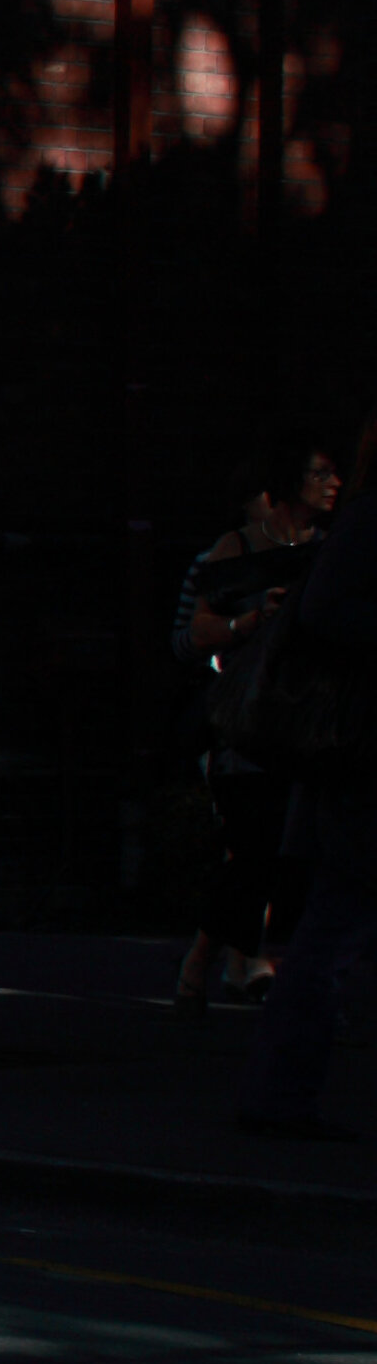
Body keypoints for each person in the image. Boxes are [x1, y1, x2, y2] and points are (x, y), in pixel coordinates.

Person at [232, 408, 377, 1137]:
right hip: (363, 768)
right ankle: (277, 1097)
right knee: (330, 935)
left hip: (357, 770)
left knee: (332, 932)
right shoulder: (370, 521)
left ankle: (278, 1094)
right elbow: (325, 613)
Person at [172, 436, 339, 1011]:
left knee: (299, 856)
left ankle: (267, 969)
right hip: (251, 724)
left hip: (313, 722)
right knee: (254, 852)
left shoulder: (332, 551)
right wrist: (251, 621)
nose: (333, 484)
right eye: (319, 474)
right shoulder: (234, 551)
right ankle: (209, 962)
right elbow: (192, 637)